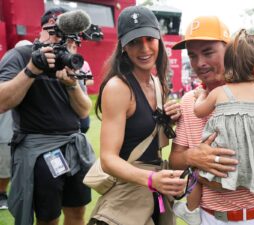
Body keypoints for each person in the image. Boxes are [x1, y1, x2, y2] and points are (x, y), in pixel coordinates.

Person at [170, 16, 254, 225]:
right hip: (211, 218)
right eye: (192, 55)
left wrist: (213, 174)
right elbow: (175, 160)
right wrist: (192, 157)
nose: (199, 63)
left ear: (229, 50)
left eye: (208, 52)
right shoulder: (189, 101)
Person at [87, 6, 186, 225]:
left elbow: (150, 135)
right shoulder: (118, 87)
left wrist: (170, 116)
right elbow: (108, 159)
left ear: (158, 40)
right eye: (134, 42)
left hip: (156, 194)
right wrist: (151, 179)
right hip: (128, 196)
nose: (144, 49)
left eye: (149, 39)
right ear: (123, 46)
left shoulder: (157, 83)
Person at [0, 7, 95, 225]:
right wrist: (32, 69)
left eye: (64, 36)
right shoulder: (20, 56)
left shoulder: (70, 59)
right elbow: (2, 102)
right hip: (39, 150)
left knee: (77, 211)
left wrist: (71, 85)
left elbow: (83, 110)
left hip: (74, 146)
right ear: (42, 30)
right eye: (54, 32)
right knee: (48, 217)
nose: (57, 40)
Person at [0, 39, 31, 210]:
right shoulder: (7, 72)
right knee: (4, 164)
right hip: (5, 129)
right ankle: (2, 193)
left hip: (24, 132)